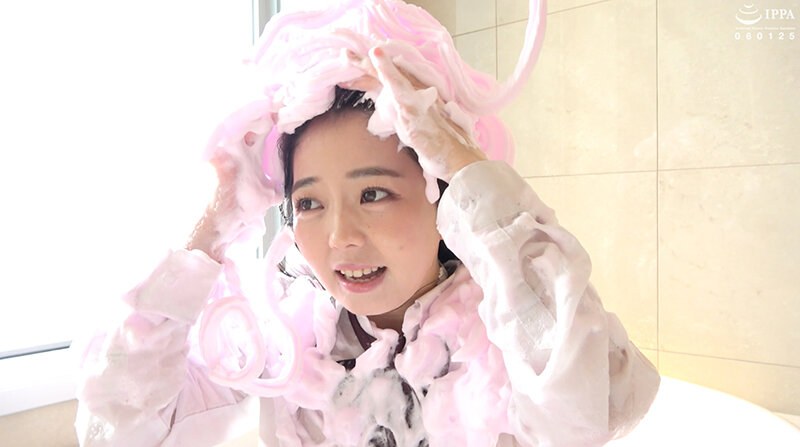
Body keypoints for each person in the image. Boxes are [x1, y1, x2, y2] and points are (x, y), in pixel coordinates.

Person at [74, 0, 660, 446]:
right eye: (309, 203)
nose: (340, 238)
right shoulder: (283, 345)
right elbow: (117, 429)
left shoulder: (509, 338)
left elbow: (589, 410)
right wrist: (210, 228)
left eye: (373, 193)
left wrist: (465, 165)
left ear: (443, 199)